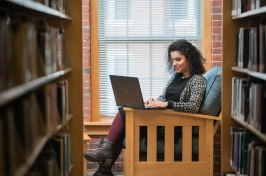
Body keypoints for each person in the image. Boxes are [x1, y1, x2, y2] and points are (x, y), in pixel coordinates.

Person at [84, 39, 207, 176]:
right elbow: (163, 97)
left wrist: (167, 104)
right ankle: (104, 169)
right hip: (162, 117)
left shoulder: (198, 80)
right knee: (126, 111)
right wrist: (153, 102)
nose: (174, 64)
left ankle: (105, 157)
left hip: (172, 124)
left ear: (189, 58)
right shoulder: (176, 77)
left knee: (124, 113)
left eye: (178, 59)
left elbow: (193, 106)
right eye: (172, 60)